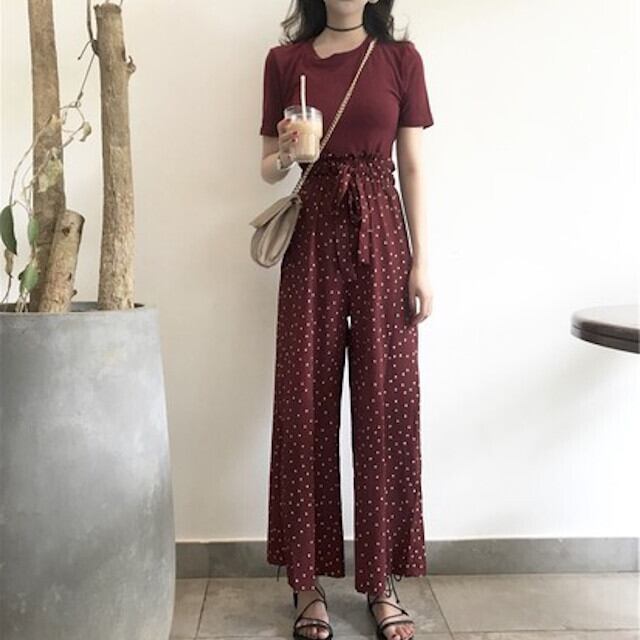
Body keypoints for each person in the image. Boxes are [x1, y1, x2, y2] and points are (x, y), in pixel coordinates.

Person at [259, 1, 434, 638]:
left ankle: (382, 580)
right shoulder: (285, 62)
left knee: (387, 404)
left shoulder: (400, 60)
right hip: (312, 232)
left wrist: (421, 260)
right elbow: (266, 167)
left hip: (383, 234)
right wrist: (287, 153)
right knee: (304, 404)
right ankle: (305, 584)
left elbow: (411, 164)